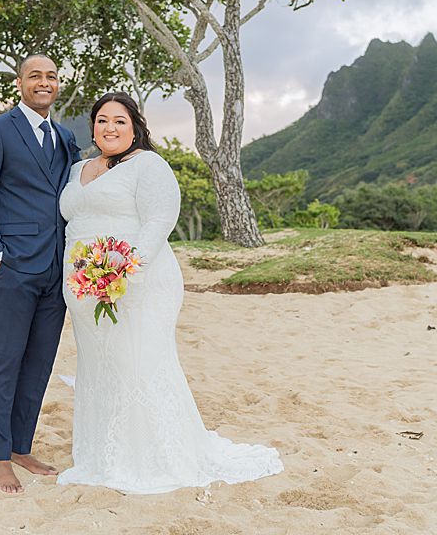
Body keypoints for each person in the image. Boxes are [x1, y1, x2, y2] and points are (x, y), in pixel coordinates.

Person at [56, 91, 283, 494]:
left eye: (120, 121)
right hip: (83, 284)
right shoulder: (77, 169)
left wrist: (122, 272)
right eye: (103, 119)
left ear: (136, 127)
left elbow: (160, 220)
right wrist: (91, 277)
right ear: (92, 125)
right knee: (101, 365)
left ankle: (155, 456)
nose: (110, 127)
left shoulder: (149, 165)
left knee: (139, 361)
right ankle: (105, 454)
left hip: (137, 281)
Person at [0, 54, 81, 494]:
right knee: (6, 360)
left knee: (39, 364)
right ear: (20, 84)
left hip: (57, 267)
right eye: (36, 76)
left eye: (51, 76)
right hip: (11, 266)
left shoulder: (66, 137)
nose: (44, 82)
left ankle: (19, 446)